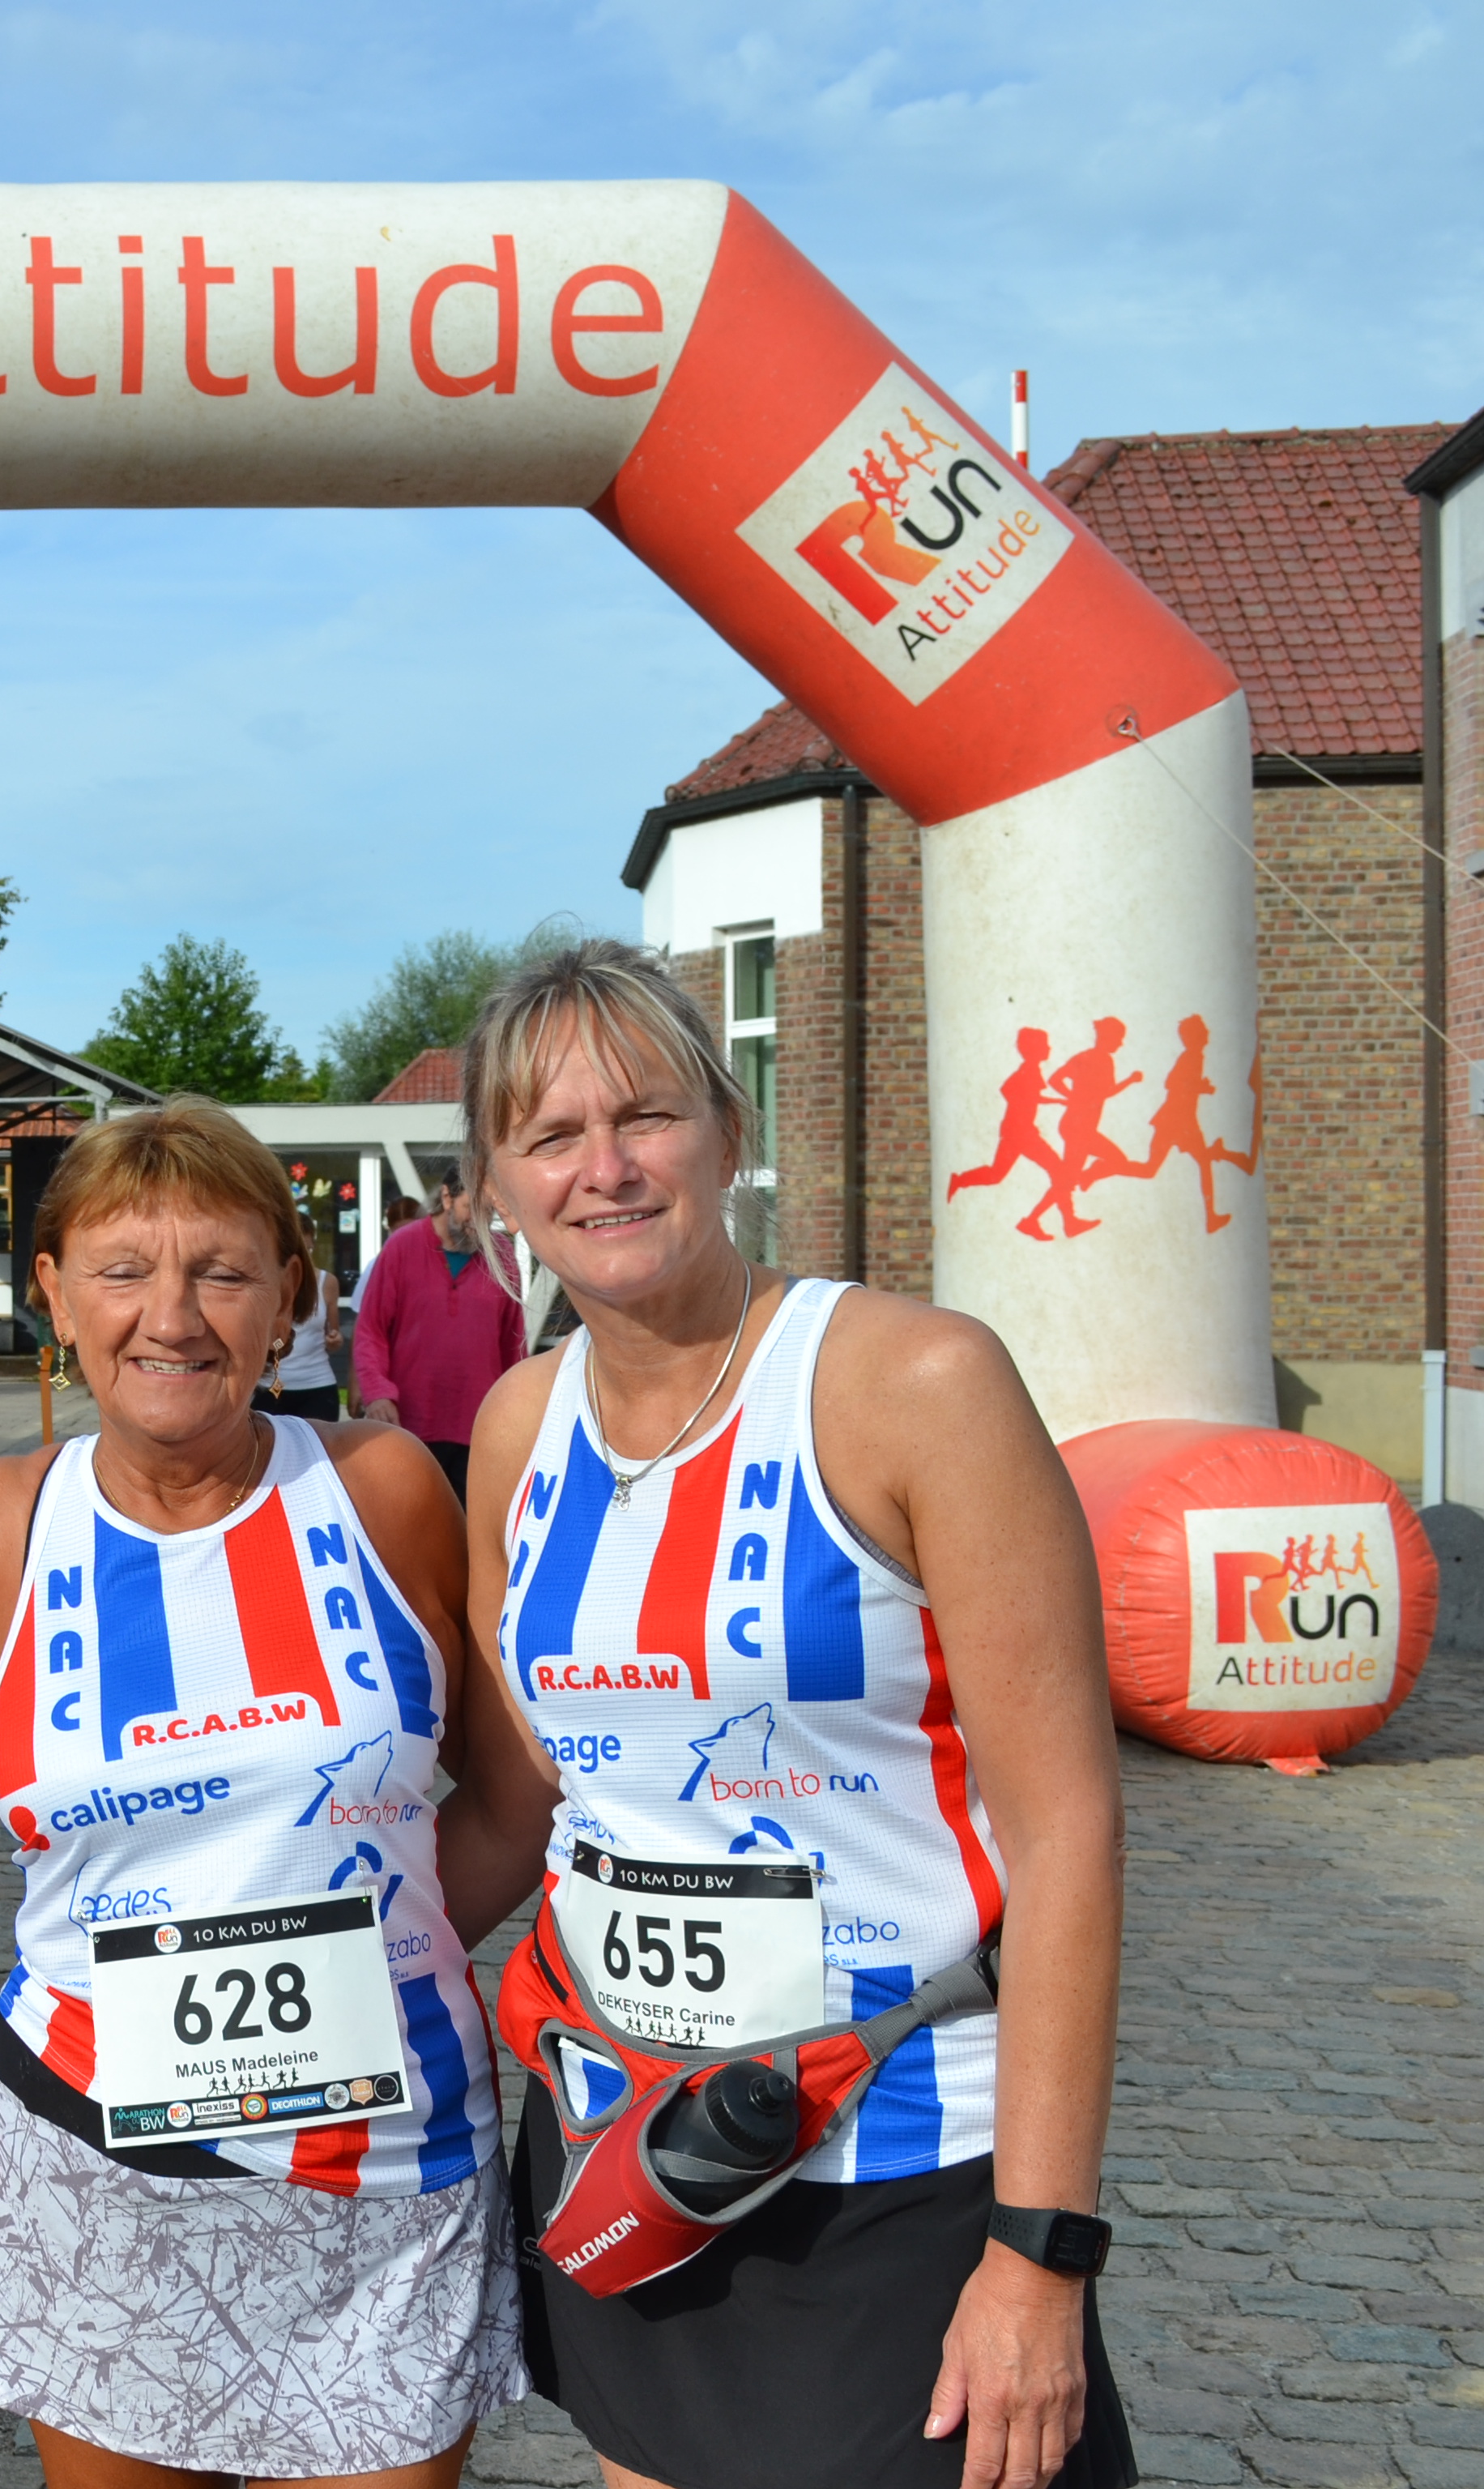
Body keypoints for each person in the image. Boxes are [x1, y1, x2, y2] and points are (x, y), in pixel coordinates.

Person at [460, 941, 1132, 2489]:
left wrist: (1039, 2250)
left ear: (728, 1129)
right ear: (494, 1185)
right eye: (549, 1134)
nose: (603, 1167)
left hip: (899, 2169)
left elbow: (1067, 1832)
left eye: (644, 1115)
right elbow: (535, 1801)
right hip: (626, 2141)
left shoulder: (915, 1380)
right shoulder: (515, 1424)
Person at [0, 1099, 530, 2487]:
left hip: (383, 2170)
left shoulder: (382, 1491)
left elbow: (513, 1793)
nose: (172, 1317)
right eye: (123, 1270)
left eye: (222, 1270)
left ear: (288, 1297)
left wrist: (383, 1952)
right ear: (54, 1295)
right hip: (100, 2165)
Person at [348, 1169, 527, 1504]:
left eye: (488, 1212)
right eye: (471, 1208)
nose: (480, 1222)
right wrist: (377, 1393)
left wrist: (519, 1410)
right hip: (410, 1424)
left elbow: (514, 1344)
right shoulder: (402, 1246)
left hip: (480, 1426)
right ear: (446, 1198)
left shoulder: (502, 1254)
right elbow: (371, 1330)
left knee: (472, 1526)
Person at [260, 1259, 341, 1420]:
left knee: (318, 1437)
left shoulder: (327, 1282)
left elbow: (334, 1334)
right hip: (269, 1386)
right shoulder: (264, 1278)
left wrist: (334, 1340)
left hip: (317, 1384)